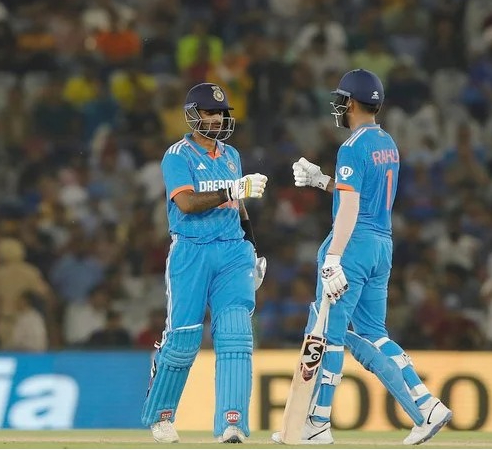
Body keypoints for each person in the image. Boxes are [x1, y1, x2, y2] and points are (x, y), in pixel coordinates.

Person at [272, 69, 452, 445]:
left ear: (352, 103)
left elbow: (351, 207)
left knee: (330, 336)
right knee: (374, 335)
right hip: (382, 245)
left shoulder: (352, 147)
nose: (339, 107)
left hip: (352, 245)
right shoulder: (388, 142)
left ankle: (318, 422)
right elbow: (362, 193)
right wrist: (322, 180)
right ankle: (427, 403)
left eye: (341, 100)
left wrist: (333, 257)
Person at [140, 82, 268, 444]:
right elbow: (187, 204)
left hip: (232, 252)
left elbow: (239, 207)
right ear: (193, 115)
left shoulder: (231, 155)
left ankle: (232, 421)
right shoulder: (177, 156)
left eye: (221, 113)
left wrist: (252, 248)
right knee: (183, 339)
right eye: (209, 112)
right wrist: (232, 189)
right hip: (191, 251)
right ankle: (161, 415)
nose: (217, 119)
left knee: (236, 335)